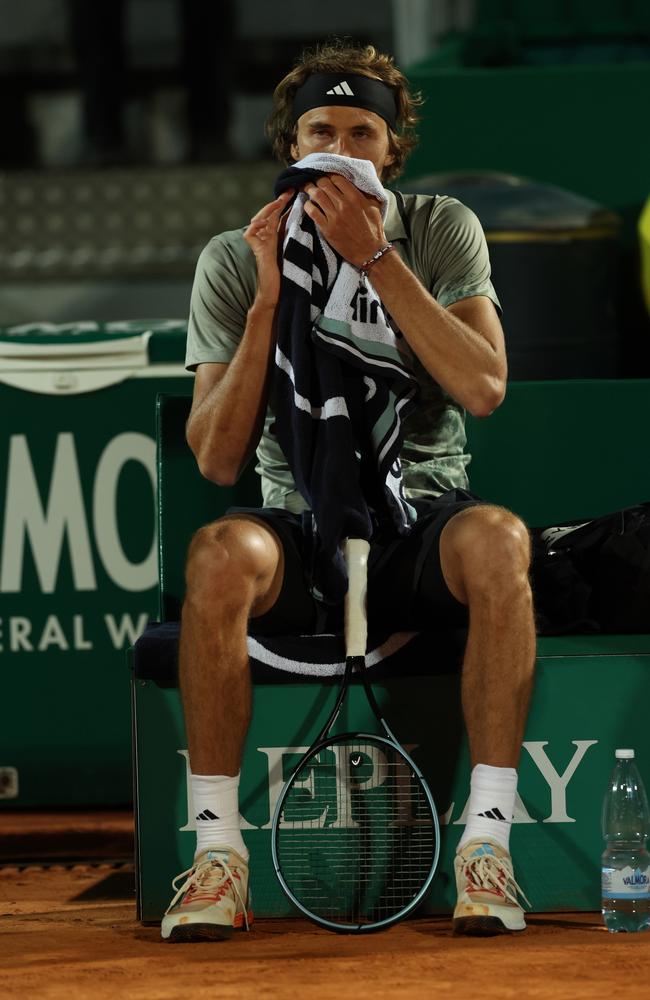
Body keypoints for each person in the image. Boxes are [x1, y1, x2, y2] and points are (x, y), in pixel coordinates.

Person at [161, 41, 536, 943]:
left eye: (360, 131)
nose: (340, 146)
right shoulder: (231, 255)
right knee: (217, 554)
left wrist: (375, 260)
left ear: (390, 148)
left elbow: (484, 387)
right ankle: (218, 857)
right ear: (289, 144)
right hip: (297, 517)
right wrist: (264, 301)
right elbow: (217, 459)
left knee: (501, 542)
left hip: (418, 515)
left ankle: (487, 848)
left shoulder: (441, 228)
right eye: (319, 130)